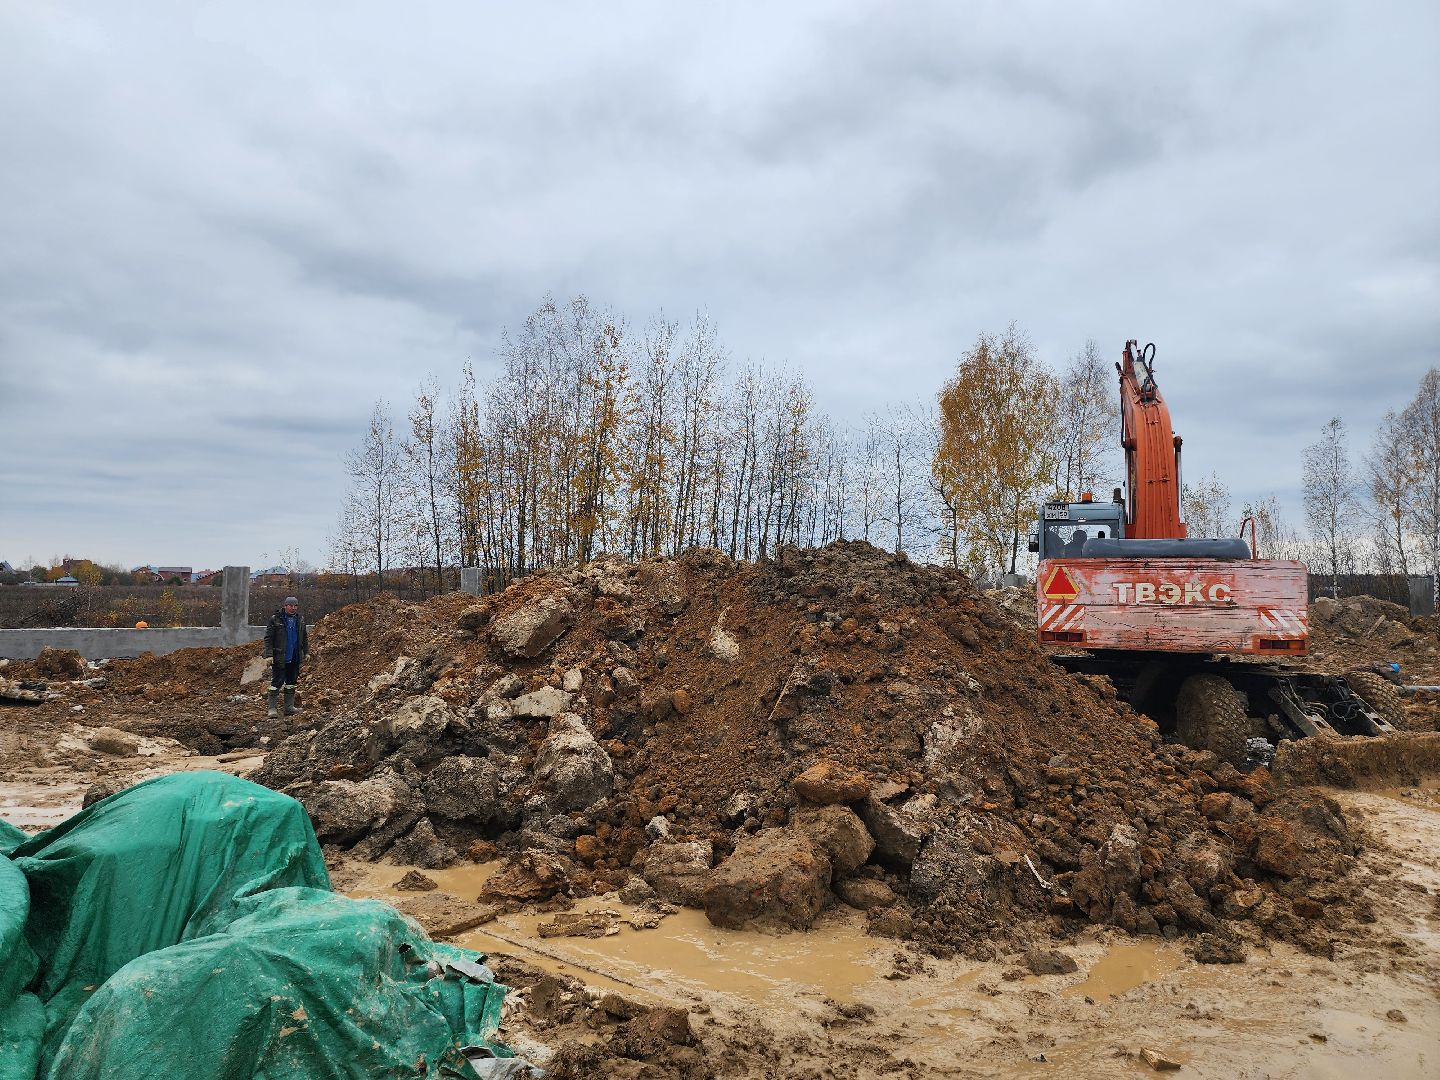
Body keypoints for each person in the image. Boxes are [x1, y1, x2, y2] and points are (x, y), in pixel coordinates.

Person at [262, 596, 309, 718]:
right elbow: (268, 638)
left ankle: (289, 707)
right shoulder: (276, 619)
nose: (293, 608)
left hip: (294, 656)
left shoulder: (300, 620)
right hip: (280, 657)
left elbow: (304, 637)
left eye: (295, 606)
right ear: (285, 606)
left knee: (291, 682)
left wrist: (306, 652)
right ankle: (272, 708)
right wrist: (269, 655)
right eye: (290, 605)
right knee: (277, 682)